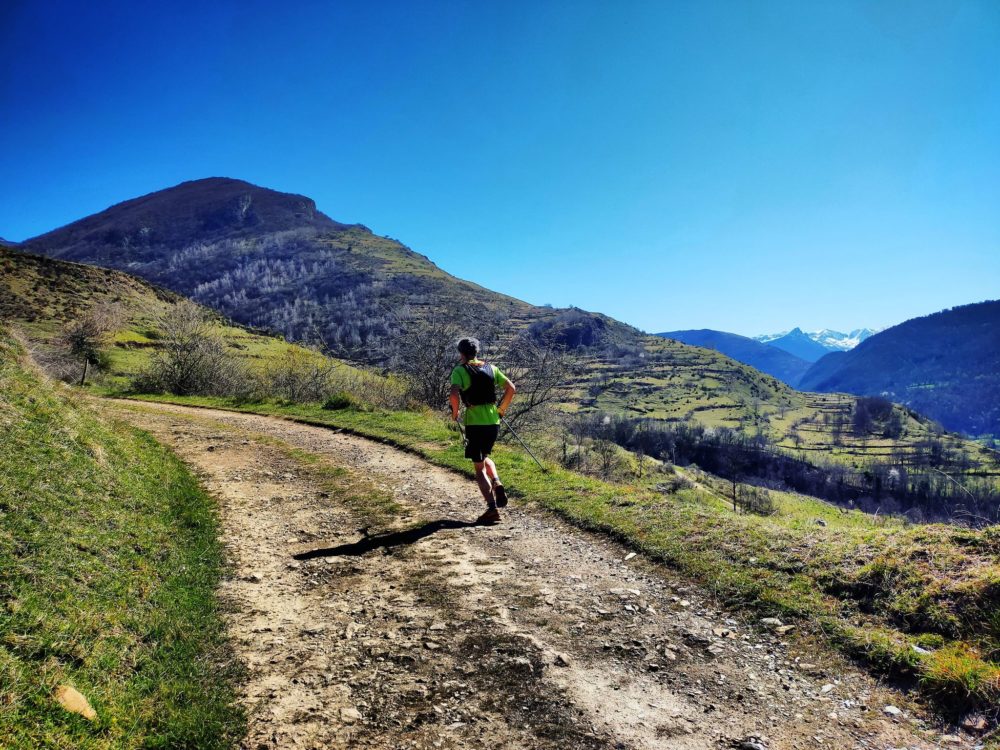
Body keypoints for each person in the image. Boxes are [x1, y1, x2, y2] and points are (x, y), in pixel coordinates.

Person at [449, 337, 516, 524]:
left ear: (461, 353)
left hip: (475, 423)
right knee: (484, 456)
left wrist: (455, 413)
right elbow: (511, 388)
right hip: (493, 421)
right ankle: (496, 480)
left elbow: (454, 394)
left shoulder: (459, 370)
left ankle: (492, 510)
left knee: (478, 469)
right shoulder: (492, 368)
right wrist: (501, 410)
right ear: (476, 351)